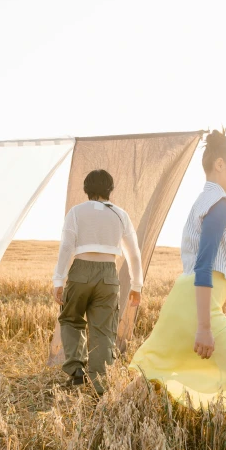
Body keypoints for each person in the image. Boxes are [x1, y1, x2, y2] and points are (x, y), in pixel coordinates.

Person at [129, 129, 226, 425]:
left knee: (151, 374)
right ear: (220, 164)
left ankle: (102, 421)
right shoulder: (220, 206)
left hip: (182, 300)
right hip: (197, 303)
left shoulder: (201, 202)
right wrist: (204, 327)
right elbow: (205, 267)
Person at [52, 169, 142, 395]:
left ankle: (76, 373)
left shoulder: (76, 212)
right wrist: (136, 285)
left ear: (86, 189)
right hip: (109, 274)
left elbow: (66, 246)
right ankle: (100, 384)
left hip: (81, 269)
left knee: (71, 318)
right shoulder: (121, 214)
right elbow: (133, 253)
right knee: (103, 330)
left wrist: (58, 279)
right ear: (110, 189)